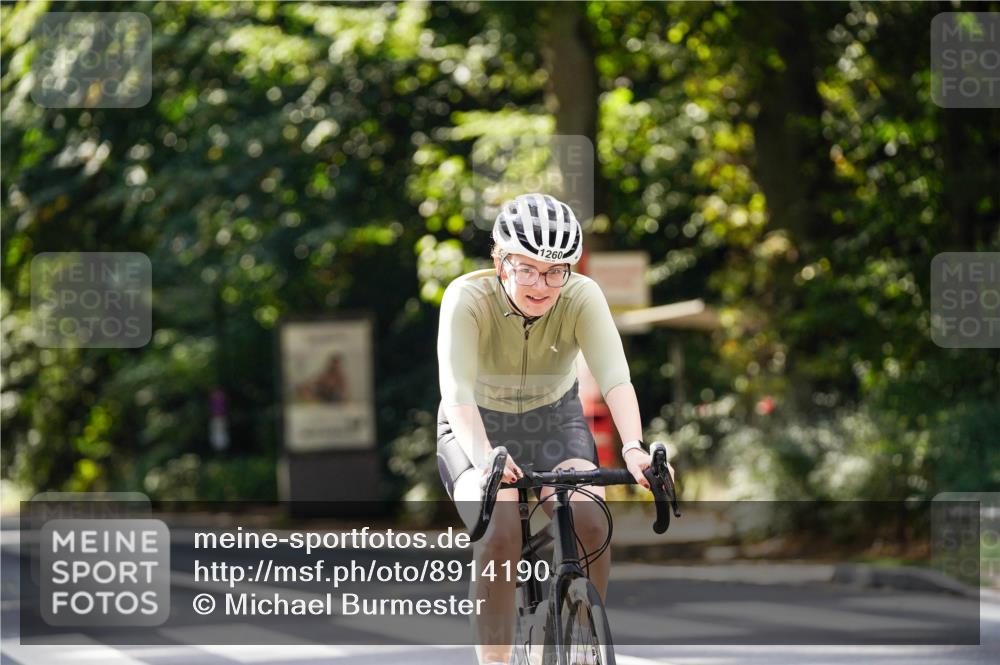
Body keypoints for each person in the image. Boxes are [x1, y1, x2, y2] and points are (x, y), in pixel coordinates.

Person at [436, 193, 669, 665]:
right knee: (500, 534)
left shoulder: (582, 297)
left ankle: (585, 631)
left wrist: (633, 448)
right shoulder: (466, 298)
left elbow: (616, 378)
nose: (542, 284)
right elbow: (457, 392)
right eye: (527, 268)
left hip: (554, 419)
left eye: (556, 270)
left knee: (590, 517)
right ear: (501, 263)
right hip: (477, 424)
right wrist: (485, 459)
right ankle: (496, 661)